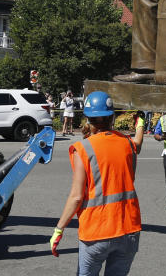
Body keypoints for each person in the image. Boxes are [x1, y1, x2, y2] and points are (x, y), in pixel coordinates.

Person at [51, 91, 146, 276]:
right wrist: (140, 123)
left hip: (97, 232)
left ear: (88, 119)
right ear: (112, 117)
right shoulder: (127, 142)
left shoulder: (83, 148)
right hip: (129, 229)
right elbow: (138, 143)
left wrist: (59, 229)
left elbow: (77, 196)